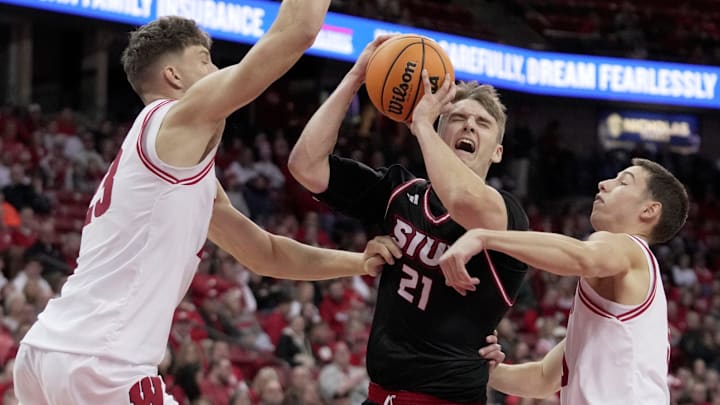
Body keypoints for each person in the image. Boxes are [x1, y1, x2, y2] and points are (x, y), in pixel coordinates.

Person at [13, 3, 403, 404]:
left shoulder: (172, 166)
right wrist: (354, 72)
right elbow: (296, 32)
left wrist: (357, 262)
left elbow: (265, 254)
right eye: (205, 60)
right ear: (173, 76)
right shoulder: (173, 120)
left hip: (45, 350)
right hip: (103, 363)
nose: (217, 71)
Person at [288, 36, 529, 404]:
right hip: (379, 394)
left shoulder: (505, 214)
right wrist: (356, 78)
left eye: (481, 123)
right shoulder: (399, 192)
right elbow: (305, 165)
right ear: (443, 130)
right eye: (458, 118)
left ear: (497, 152)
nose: (468, 127)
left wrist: (422, 126)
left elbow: (462, 199)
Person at [441, 158, 689, 404]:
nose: (604, 184)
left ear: (648, 210)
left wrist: (484, 238)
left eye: (623, 182)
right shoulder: (615, 318)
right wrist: (480, 368)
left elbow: (584, 257)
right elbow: (542, 379)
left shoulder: (630, 247)